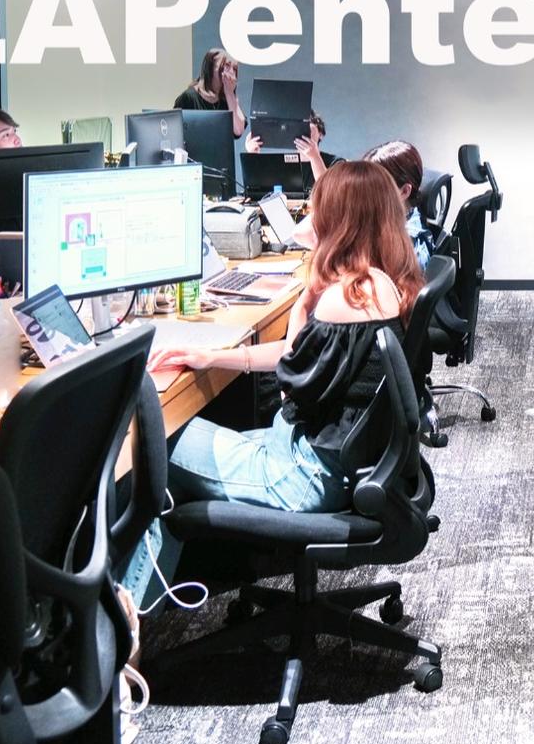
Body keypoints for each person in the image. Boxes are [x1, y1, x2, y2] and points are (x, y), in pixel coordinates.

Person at [147, 161, 426, 511]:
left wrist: (301, 307)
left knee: (155, 440)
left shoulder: (345, 299)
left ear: (338, 222)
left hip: (302, 474)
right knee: (169, 481)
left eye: (319, 210)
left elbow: (290, 394)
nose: (313, 218)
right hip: (332, 460)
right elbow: (301, 355)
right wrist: (213, 357)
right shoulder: (386, 281)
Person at [361, 139, 438, 267]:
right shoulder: (382, 220)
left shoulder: (410, 249)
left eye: (375, 187)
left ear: (404, 191)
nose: (364, 193)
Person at [173, 48, 246, 139]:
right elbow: (174, 131)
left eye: (234, 69)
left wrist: (229, 93)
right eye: (227, 65)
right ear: (211, 67)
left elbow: (238, 130)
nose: (231, 72)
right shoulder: (188, 97)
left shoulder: (229, 100)